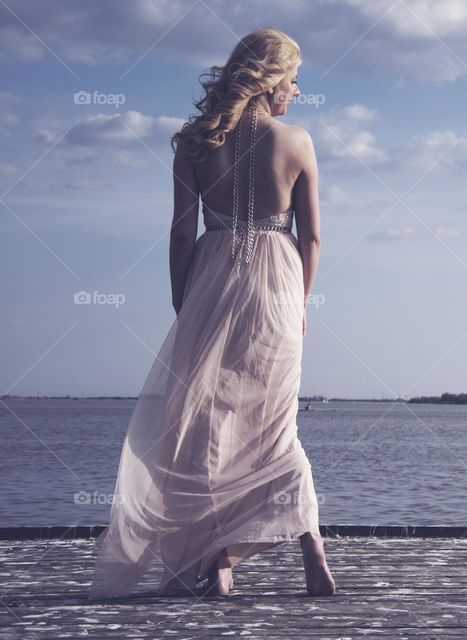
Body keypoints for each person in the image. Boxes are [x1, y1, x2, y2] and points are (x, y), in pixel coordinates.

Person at [88, 27, 335, 599]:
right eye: (293, 78)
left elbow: (180, 233)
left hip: (209, 277)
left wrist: (184, 300)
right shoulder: (297, 141)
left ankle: (218, 555)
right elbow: (314, 239)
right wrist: (299, 303)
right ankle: (298, 553)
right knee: (277, 425)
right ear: (272, 79)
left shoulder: (193, 143)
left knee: (205, 425)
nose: (296, 90)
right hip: (276, 282)